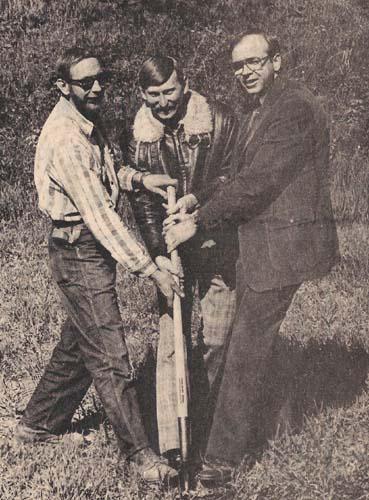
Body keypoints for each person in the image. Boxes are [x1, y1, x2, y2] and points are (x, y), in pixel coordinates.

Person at [164, 31, 339, 482]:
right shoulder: (262, 108)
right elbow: (237, 175)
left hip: (283, 246)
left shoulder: (294, 108)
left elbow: (258, 184)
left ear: (277, 61)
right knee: (256, 340)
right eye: (238, 66)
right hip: (263, 240)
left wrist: (197, 222)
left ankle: (219, 462)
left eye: (254, 62)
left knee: (244, 349)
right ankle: (277, 425)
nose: (245, 72)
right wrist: (197, 199)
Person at [14, 46, 182, 484]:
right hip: (78, 248)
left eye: (100, 78)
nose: (96, 88)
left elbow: (109, 173)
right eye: (85, 82)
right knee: (109, 354)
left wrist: (141, 178)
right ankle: (142, 457)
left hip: (87, 245)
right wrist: (152, 270)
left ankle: (37, 425)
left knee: (80, 342)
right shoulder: (67, 138)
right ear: (63, 86)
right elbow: (102, 218)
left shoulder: (87, 122)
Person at [125, 55, 238, 462]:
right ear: (143, 95)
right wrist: (159, 254)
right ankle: (173, 444)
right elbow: (142, 202)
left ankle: (209, 424)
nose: (163, 101)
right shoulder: (138, 135)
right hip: (172, 253)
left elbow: (233, 176)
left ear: (184, 84)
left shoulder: (220, 119)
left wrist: (197, 201)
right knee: (171, 341)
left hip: (217, 245)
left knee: (219, 339)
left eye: (169, 91)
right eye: (153, 94)